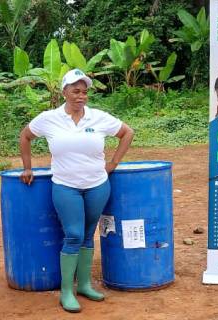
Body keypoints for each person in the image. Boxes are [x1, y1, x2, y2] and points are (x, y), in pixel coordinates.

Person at [19, 69, 134, 313]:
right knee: (73, 234)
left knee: (88, 233)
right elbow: (25, 136)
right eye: (75, 91)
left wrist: (113, 164)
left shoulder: (98, 117)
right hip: (65, 187)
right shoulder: (49, 118)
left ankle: (83, 285)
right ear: (64, 92)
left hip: (97, 185)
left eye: (84, 92)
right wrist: (27, 168)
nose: (80, 96)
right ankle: (66, 292)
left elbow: (127, 133)